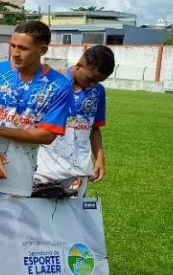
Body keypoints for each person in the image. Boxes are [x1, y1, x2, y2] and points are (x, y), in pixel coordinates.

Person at [0, 21, 72, 198]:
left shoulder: (59, 85)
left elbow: (46, 136)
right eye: (13, 46)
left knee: (8, 225)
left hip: (18, 174)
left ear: (43, 50)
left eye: (23, 48)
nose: (15, 53)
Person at [34, 45, 115, 197]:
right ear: (79, 65)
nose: (92, 84)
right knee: (38, 215)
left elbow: (94, 128)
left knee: (71, 217)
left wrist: (99, 158)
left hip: (79, 169)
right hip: (45, 168)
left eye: (98, 81)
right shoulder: (52, 83)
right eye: (91, 79)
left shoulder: (98, 91)